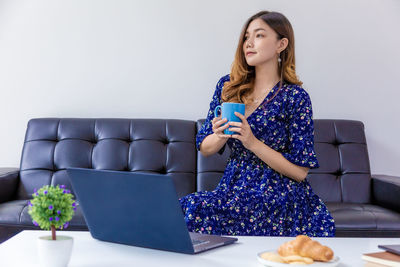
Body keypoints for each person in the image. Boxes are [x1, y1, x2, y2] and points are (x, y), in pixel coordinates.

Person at [179, 10, 335, 237]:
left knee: (197, 209)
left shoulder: (295, 97)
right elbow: (205, 147)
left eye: (259, 36)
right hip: (234, 187)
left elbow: (300, 173)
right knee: (186, 207)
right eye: (246, 37)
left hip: (280, 192)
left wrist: (252, 142)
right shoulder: (228, 86)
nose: (248, 43)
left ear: (281, 44)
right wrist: (220, 135)